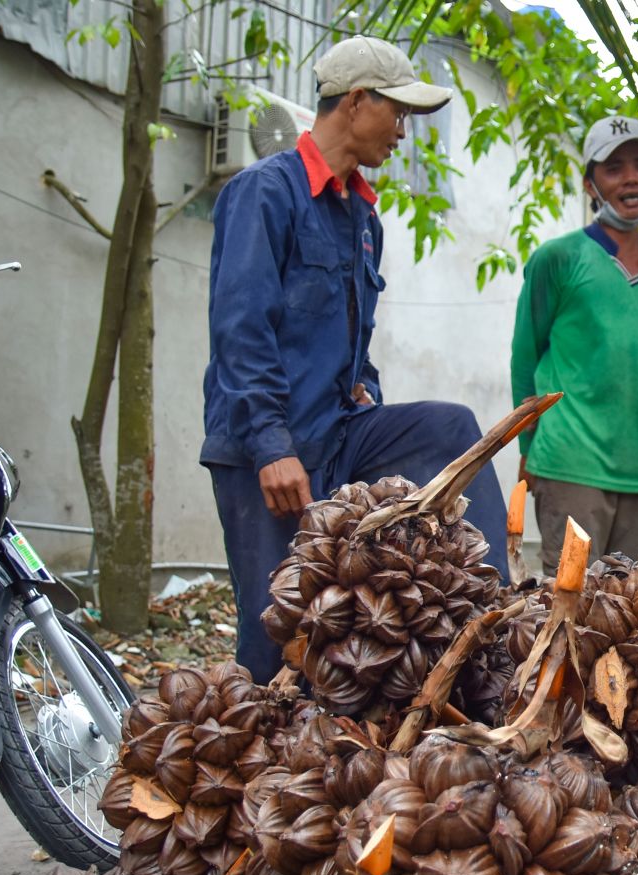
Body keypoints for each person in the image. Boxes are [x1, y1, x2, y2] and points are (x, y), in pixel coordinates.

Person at [204, 37, 509, 682]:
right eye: (396, 113)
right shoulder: (264, 192)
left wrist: (364, 384)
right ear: (356, 101)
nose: (403, 132)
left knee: (450, 426)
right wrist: (270, 445)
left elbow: (350, 337)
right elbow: (241, 328)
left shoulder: (362, 218)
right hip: (269, 450)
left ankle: (500, 615)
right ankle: (256, 763)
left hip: (339, 433)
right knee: (276, 629)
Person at [510, 114, 638, 575]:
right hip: (569, 465)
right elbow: (525, 357)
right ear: (591, 185)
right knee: (568, 610)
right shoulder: (559, 258)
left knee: (631, 613)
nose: (631, 178)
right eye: (614, 168)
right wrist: (527, 444)